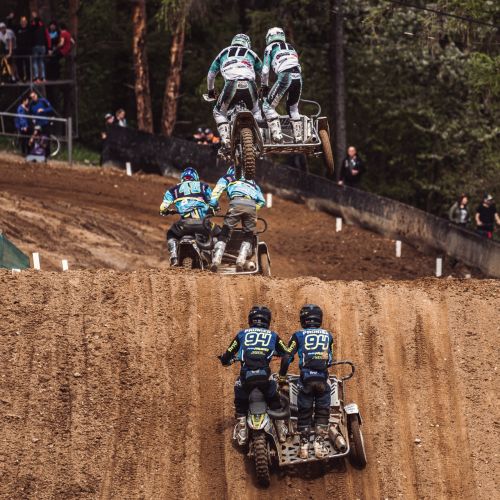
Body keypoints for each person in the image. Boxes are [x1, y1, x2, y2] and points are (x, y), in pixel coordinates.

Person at [219, 305, 290, 445]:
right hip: (264, 378)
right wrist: (277, 356)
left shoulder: (242, 334)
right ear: (267, 321)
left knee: (240, 396)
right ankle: (280, 427)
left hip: (247, 378)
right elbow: (287, 354)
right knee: (274, 395)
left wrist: (225, 360)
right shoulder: (273, 335)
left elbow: (228, 353)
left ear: (250, 320)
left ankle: (242, 426)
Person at [279, 304, 334, 459]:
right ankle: (319, 445)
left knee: (304, 411)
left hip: (306, 379)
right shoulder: (328, 335)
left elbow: (286, 357)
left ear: (303, 319)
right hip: (322, 379)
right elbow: (330, 359)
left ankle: (303, 446)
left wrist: (282, 376)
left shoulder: (298, 335)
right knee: (322, 410)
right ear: (319, 319)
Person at [207, 34, 263, 147]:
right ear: (247, 44)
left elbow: (211, 75)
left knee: (218, 112)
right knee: (256, 111)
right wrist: (264, 87)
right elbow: (264, 72)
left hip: (231, 85)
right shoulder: (251, 53)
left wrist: (211, 90)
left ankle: (226, 140)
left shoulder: (223, 53)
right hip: (250, 85)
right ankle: (261, 137)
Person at [209, 166, 265, 271]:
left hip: (236, 203)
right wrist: (253, 209)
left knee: (225, 232)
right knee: (248, 235)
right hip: (251, 205)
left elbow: (216, 192)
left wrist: (213, 205)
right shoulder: (252, 182)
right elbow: (262, 201)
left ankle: (216, 260)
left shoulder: (228, 177)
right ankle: (241, 261)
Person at [159, 167, 213, 266]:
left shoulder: (173, 190)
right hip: (201, 223)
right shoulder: (204, 186)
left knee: (171, 233)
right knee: (214, 232)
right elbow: (213, 202)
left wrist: (166, 211)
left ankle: (174, 256)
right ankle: (208, 254)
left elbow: (163, 207)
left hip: (184, 225)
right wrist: (213, 209)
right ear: (195, 177)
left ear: (182, 178)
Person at [261, 27, 303, 143]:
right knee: (293, 108)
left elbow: (265, 70)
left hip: (285, 76)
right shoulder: (291, 47)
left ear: (269, 37)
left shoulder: (270, 47)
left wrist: (264, 86)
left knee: (267, 107)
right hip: (298, 77)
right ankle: (298, 138)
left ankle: (278, 137)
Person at [30, 15, 50, 82]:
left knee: (35, 62)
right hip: (42, 46)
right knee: (41, 61)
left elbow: (32, 25)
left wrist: (33, 19)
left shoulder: (33, 27)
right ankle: (43, 77)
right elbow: (47, 37)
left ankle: (36, 77)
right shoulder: (43, 27)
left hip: (36, 46)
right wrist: (48, 47)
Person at [15, 16, 32, 82]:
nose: (23, 22)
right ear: (20, 22)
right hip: (19, 49)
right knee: (19, 64)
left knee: (28, 64)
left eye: (24, 21)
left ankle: (28, 77)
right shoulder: (18, 28)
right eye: (22, 21)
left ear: (26, 22)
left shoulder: (29, 28)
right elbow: (11, 27)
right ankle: (21, 77)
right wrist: (10, 19)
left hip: (27, 49)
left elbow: (35, 26)